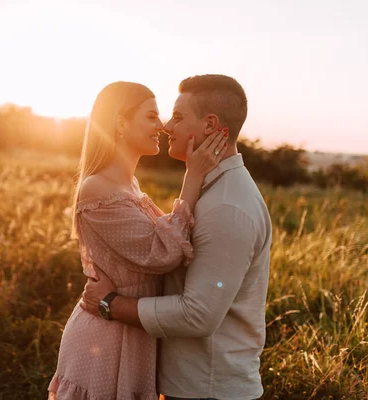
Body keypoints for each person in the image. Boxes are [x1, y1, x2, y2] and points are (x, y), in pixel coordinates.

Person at [81, 75, 272, 400]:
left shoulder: (227, 206)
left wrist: (110, 304)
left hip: (208, 388)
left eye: (178, 117)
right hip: (191, 383)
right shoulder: (212, 192)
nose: (168, 126)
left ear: (210, 125)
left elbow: (197, 315)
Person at [48, 81, 228, 400]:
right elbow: (163, 254)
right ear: (120, 123)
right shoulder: (97, 189)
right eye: (150, 116)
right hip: (105, 341)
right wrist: (194, 176)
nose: (160, 125)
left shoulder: (129, 185)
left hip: (133, 331)